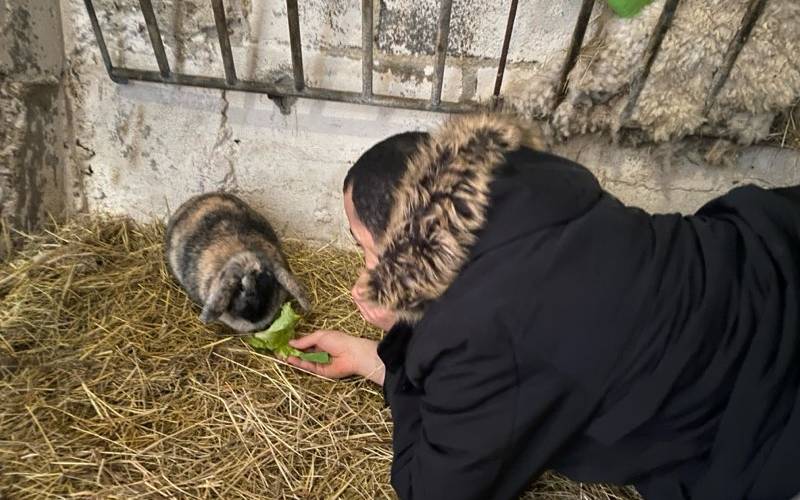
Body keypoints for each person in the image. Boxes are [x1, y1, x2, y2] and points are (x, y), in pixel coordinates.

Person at [286, 114, 800, 500]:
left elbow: (430, 489)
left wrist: (398, 346)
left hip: (770, 401)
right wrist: (370, 355)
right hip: (769, 251)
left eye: (364, 248)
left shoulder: (483, 335)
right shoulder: (526, 176)